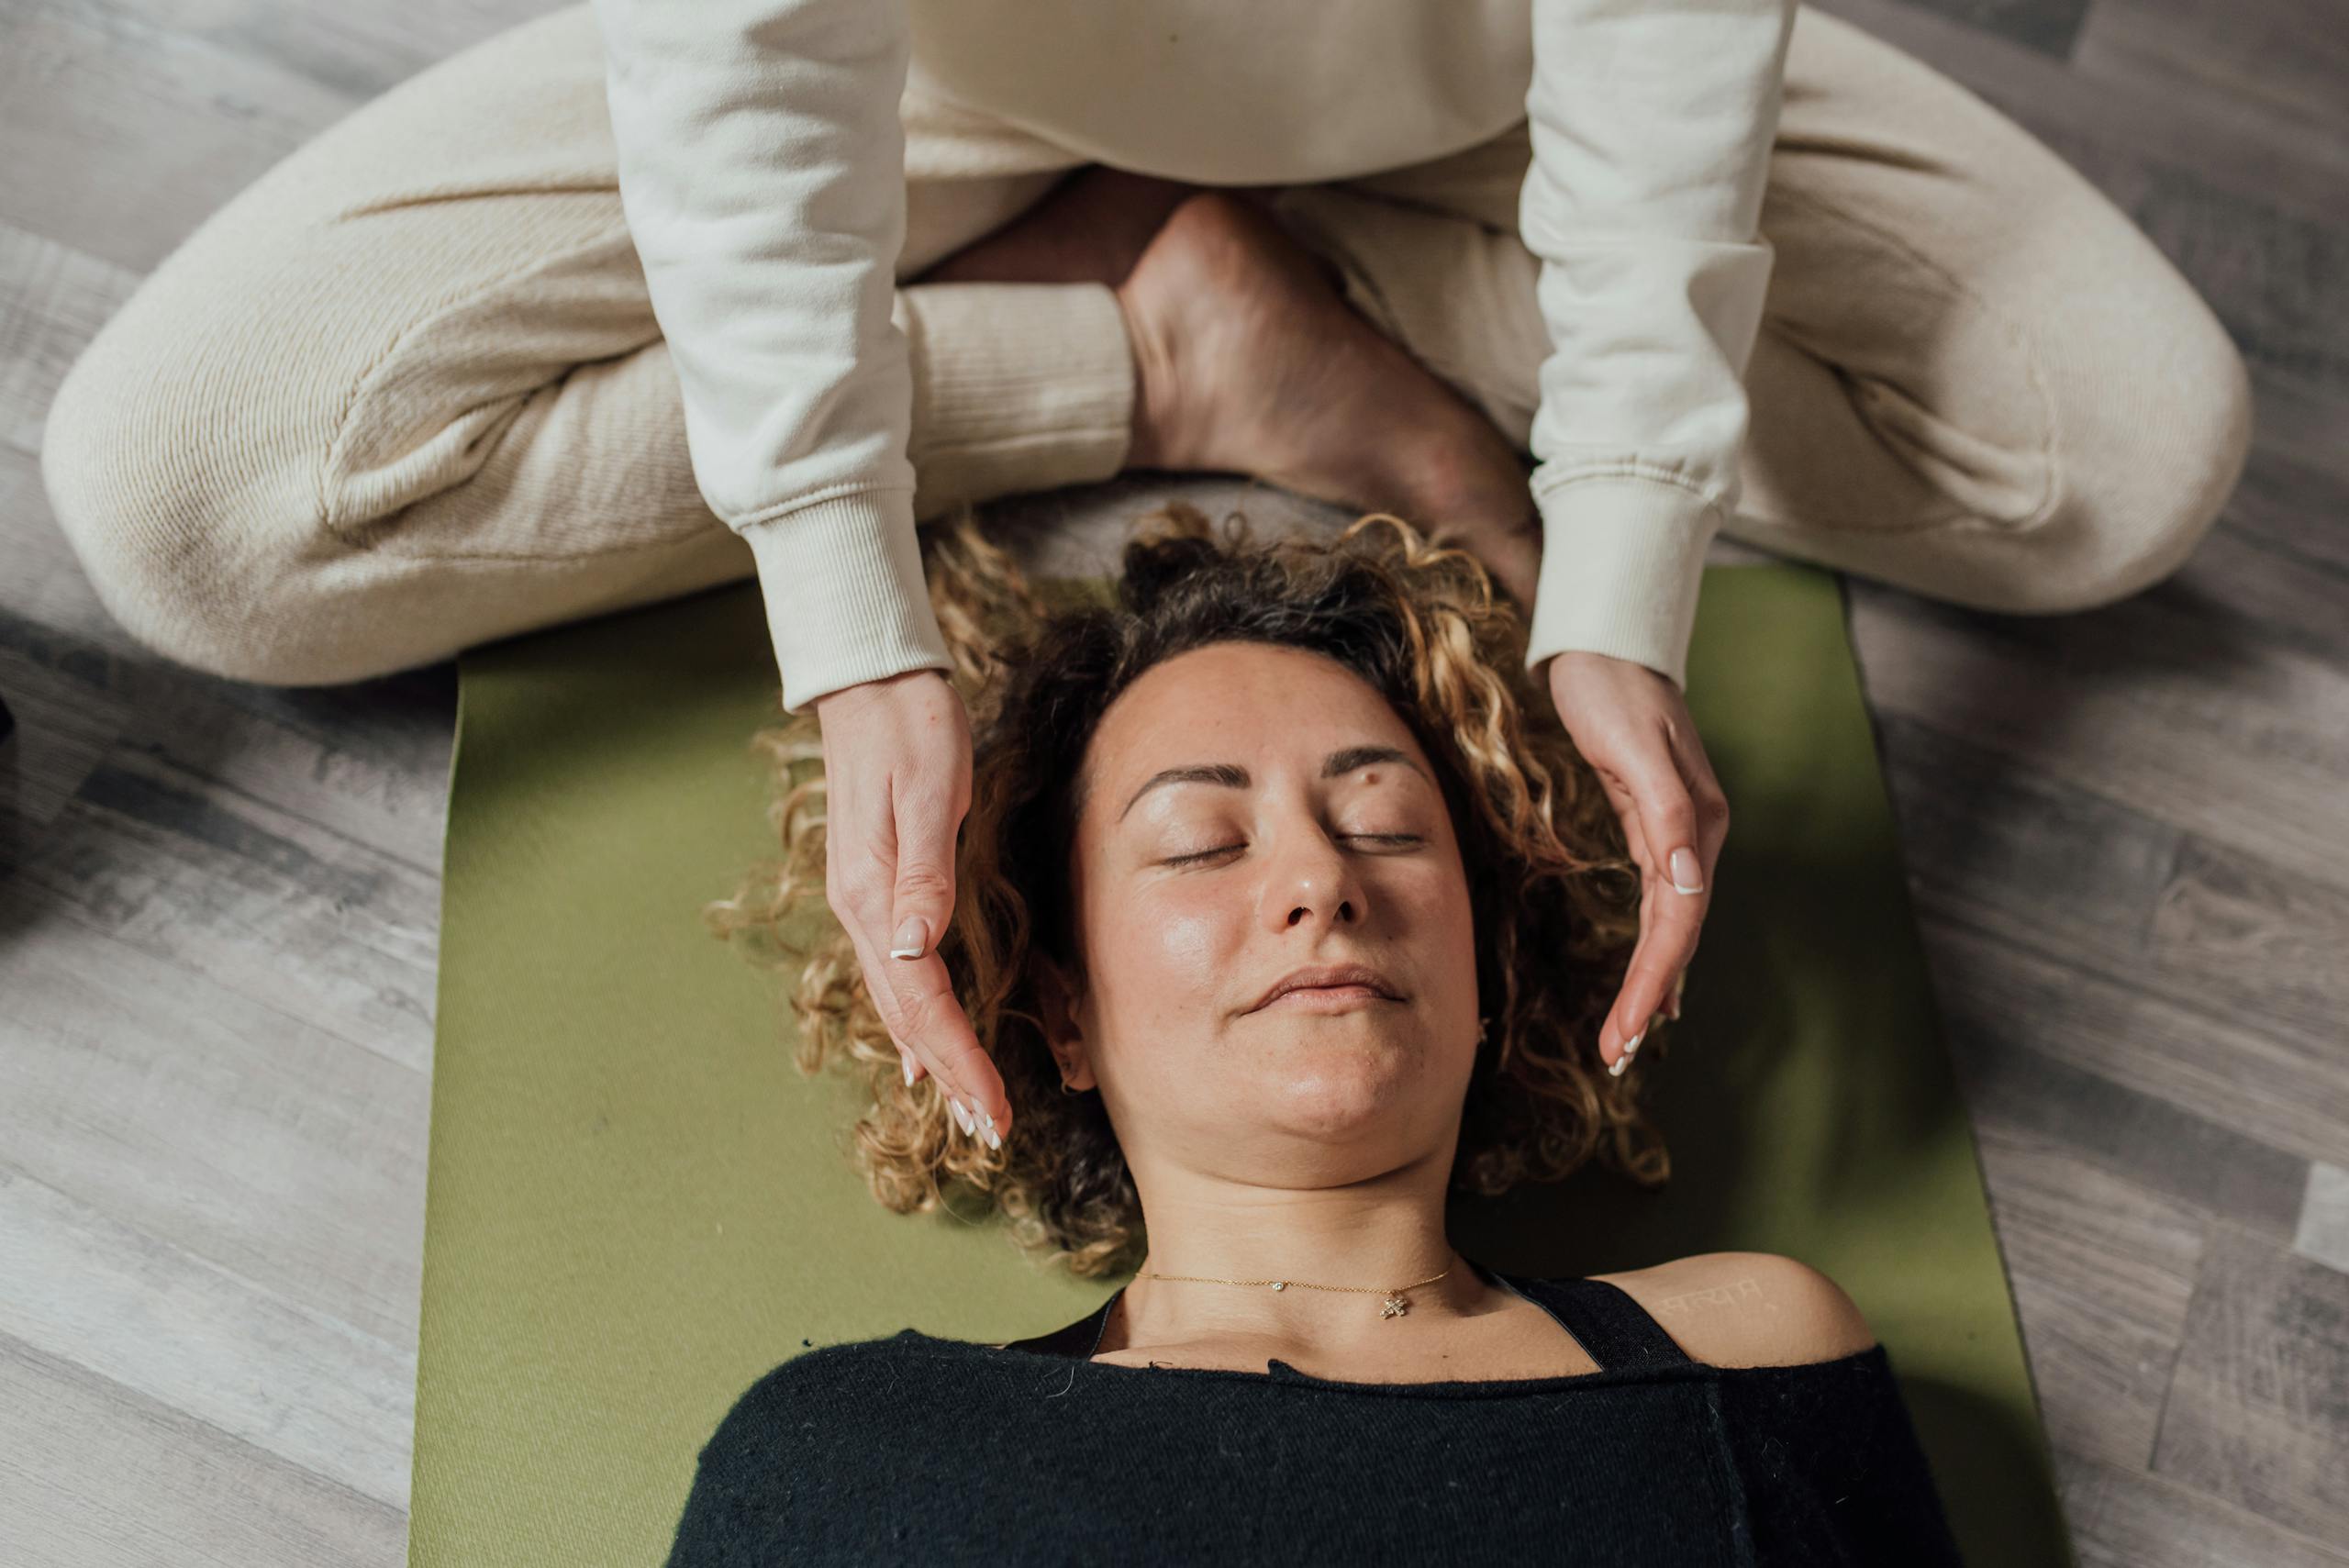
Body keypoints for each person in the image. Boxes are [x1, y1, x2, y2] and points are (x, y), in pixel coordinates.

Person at [39, 1, 2251, 1154]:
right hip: (931, 74)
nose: (1312, 896)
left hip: (1486, 75)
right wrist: (837, 581)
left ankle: (1305, 277)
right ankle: (1149, 332)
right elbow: (744, 55)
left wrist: (1624, 526)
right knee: (189, 503)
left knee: (2113, 459)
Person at [682, 503, 1964, 1563]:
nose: (1320, 879)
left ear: (1486, 980)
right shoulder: (855, 1452)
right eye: (1201, 843)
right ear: (1063, 1012)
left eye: (1387, 824)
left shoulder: (1756, 1348)